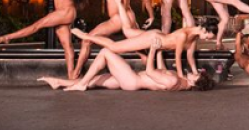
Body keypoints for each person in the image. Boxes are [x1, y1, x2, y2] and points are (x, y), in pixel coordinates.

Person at [44, 0, 155, 79]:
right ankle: (154, 72)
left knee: (87, 40)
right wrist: (151, 16)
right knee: (140, 48)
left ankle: (75, 73)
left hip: (117, 19)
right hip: (130, 17)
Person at [73, 0, 213, 78]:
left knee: (127, 30)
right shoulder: (184, 35)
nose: (207, 39)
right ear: (204, 30)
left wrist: (196, 74)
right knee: (115, 47)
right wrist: (181, 76)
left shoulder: (193, 35)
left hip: (157, 35)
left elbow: (190, 58)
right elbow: (178, 57)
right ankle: (85, 36)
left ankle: (119, 1)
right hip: (153, 39)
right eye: (208, 36)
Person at [40, 39, 214, 92]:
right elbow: (159, 70)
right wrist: (159, 51)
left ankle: (81, 84)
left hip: (132, 81)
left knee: (105, 52)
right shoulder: (178, 79)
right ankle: (60, 82)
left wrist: (153, 49)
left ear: (194, 83)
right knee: (96, 80)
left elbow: (151, 71)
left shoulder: (174, 82)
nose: (193, 72)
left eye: (195, 75)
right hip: (132, 79)